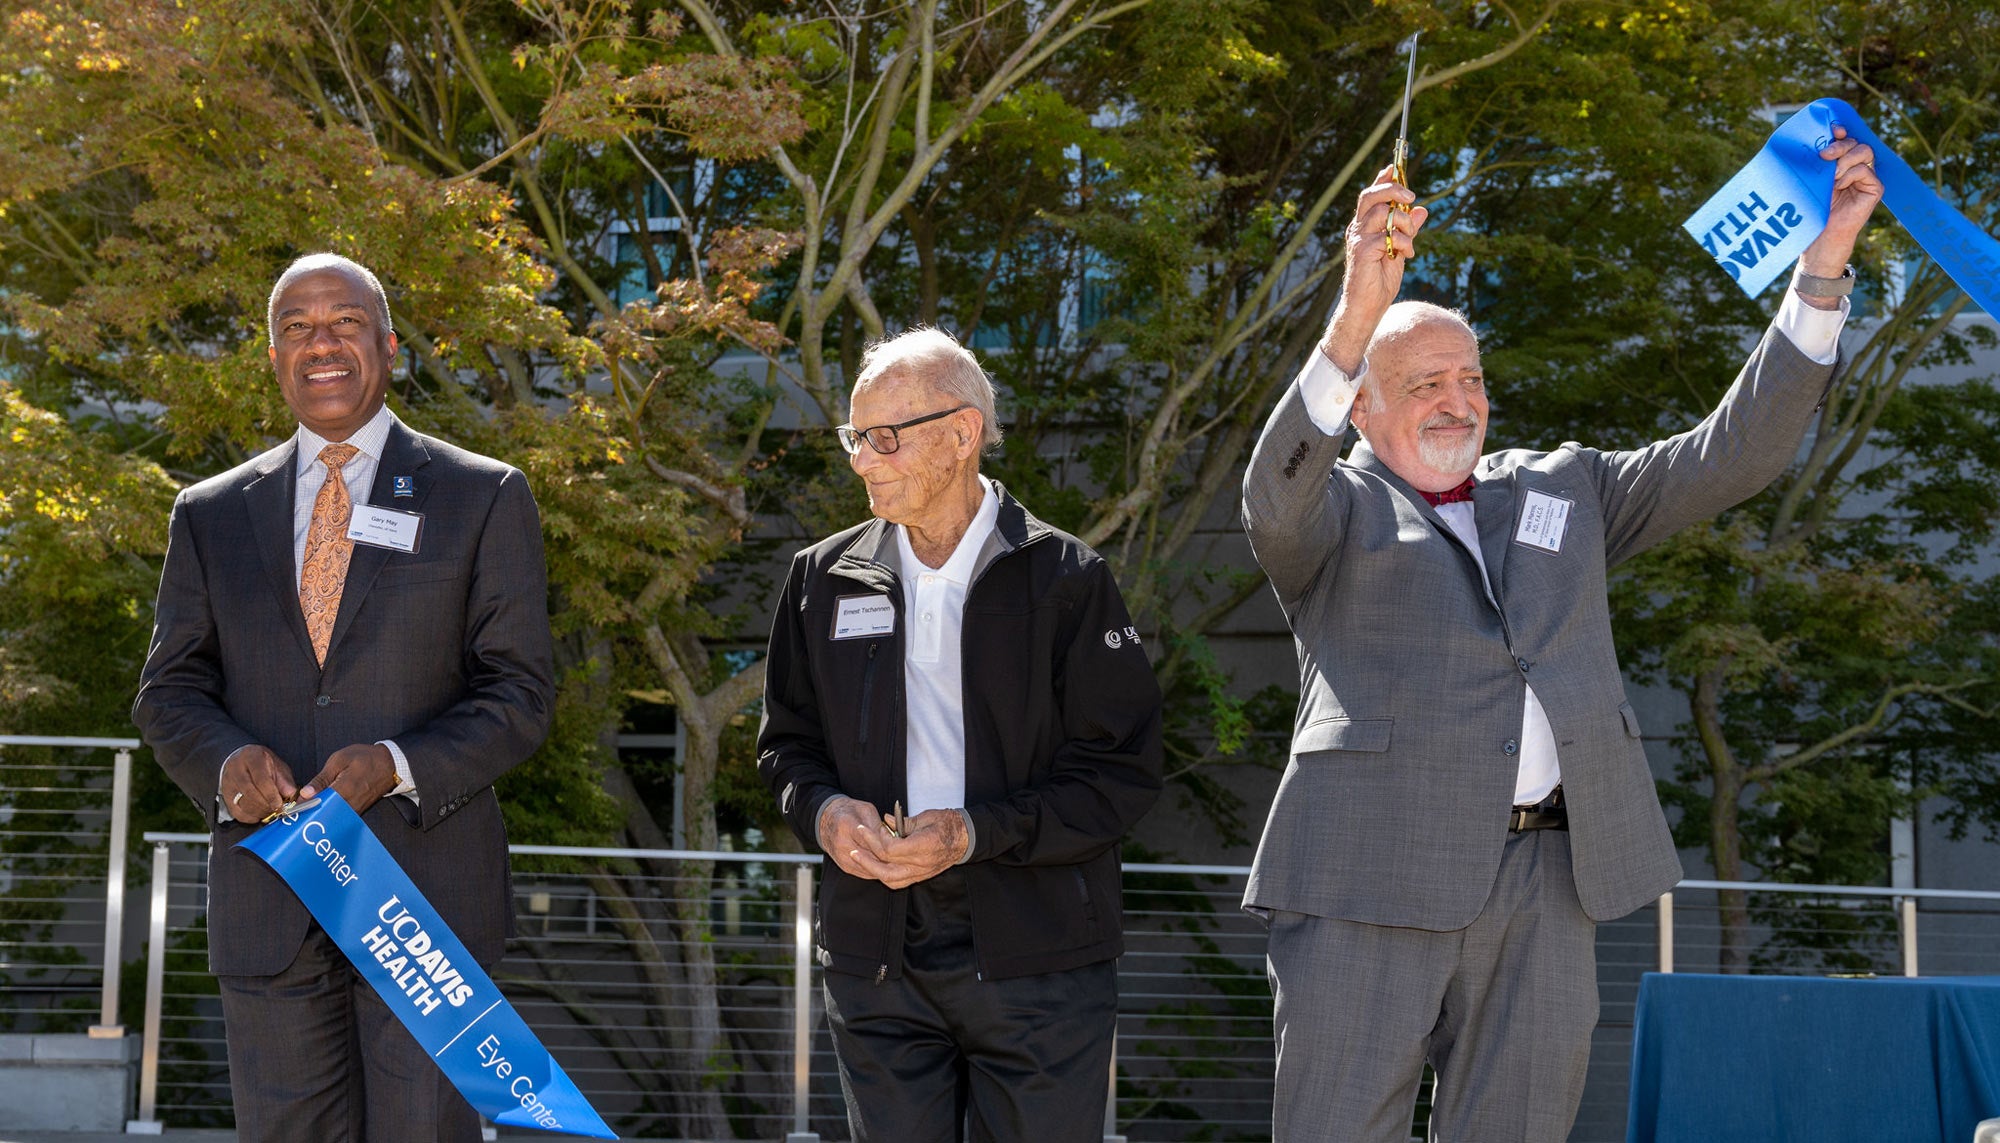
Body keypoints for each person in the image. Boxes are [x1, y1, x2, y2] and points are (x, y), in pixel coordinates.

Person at [1242, 129, 1883, 1141]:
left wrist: (1822, 266)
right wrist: (1356, 311)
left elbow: (1733, 457)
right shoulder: (1330, 512)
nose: (1457, 401)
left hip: (1548, 874)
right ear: (1359, 409)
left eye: (1469, 379)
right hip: (1365, 874)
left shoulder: (1560, 485)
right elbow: (1272, 499)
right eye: (1422, 385)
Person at [133, 253, 555, 1142]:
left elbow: (519, 694)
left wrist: (395, 765)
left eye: (345, 322)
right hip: (271, 901)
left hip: (424, 910)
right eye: (296, 327)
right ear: (273, 359)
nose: (320, 343)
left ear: (389, 345)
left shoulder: (482, 495)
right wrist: (224, 762)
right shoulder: (207, 513)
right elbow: (170, 691)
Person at [757, 327, 1164, 1140]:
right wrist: (827, 811)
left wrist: (975, 833)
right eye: (854, 438)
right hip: (877, 952)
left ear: (962, 432)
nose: (861, 460)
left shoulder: (1066, 578)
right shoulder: (821, 578)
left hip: (1040, 955)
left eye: (883, 438)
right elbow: (786, 748)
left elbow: (1121, 775)